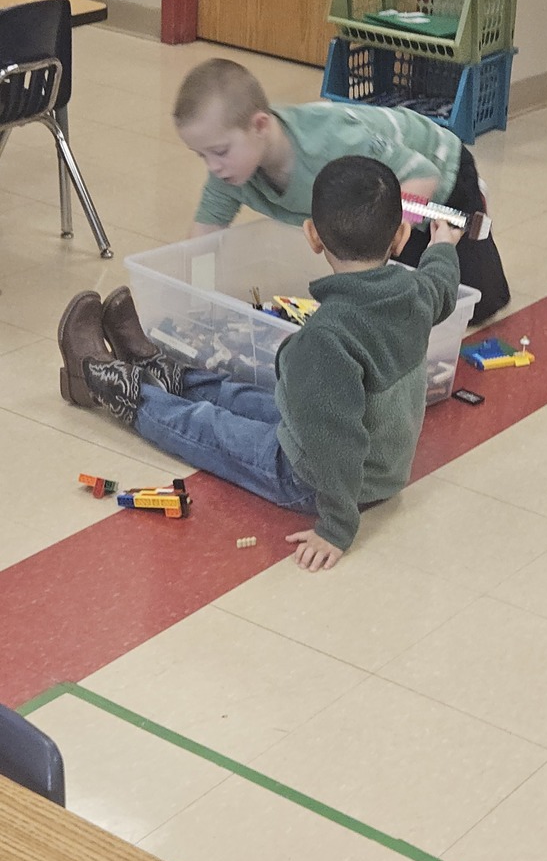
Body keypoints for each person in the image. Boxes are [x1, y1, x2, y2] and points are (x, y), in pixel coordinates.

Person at [58, 156, 462, 571]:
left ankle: (104, 382)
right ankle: (165, 372)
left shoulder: (324, 340)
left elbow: (336, 441)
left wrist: (337, 527)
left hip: (317, 479)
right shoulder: (415, 293)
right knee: (239, 395)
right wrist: (443, 245)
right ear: (399, 235)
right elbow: (442, 282)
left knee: (207, 427)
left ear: (313, 236)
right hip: (379, 463)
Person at [173, 57, 508, 324]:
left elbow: (422, 174)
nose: (213, 167)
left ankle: (474, 201)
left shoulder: (329, 142)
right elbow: (204, 236)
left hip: (438, 172)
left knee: (472, 303)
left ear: (260, 125)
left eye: (219, 152)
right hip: (375, 200)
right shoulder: (229, 174)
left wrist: (382, 244)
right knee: (396, 306)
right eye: (201, 155)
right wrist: (196, 305)